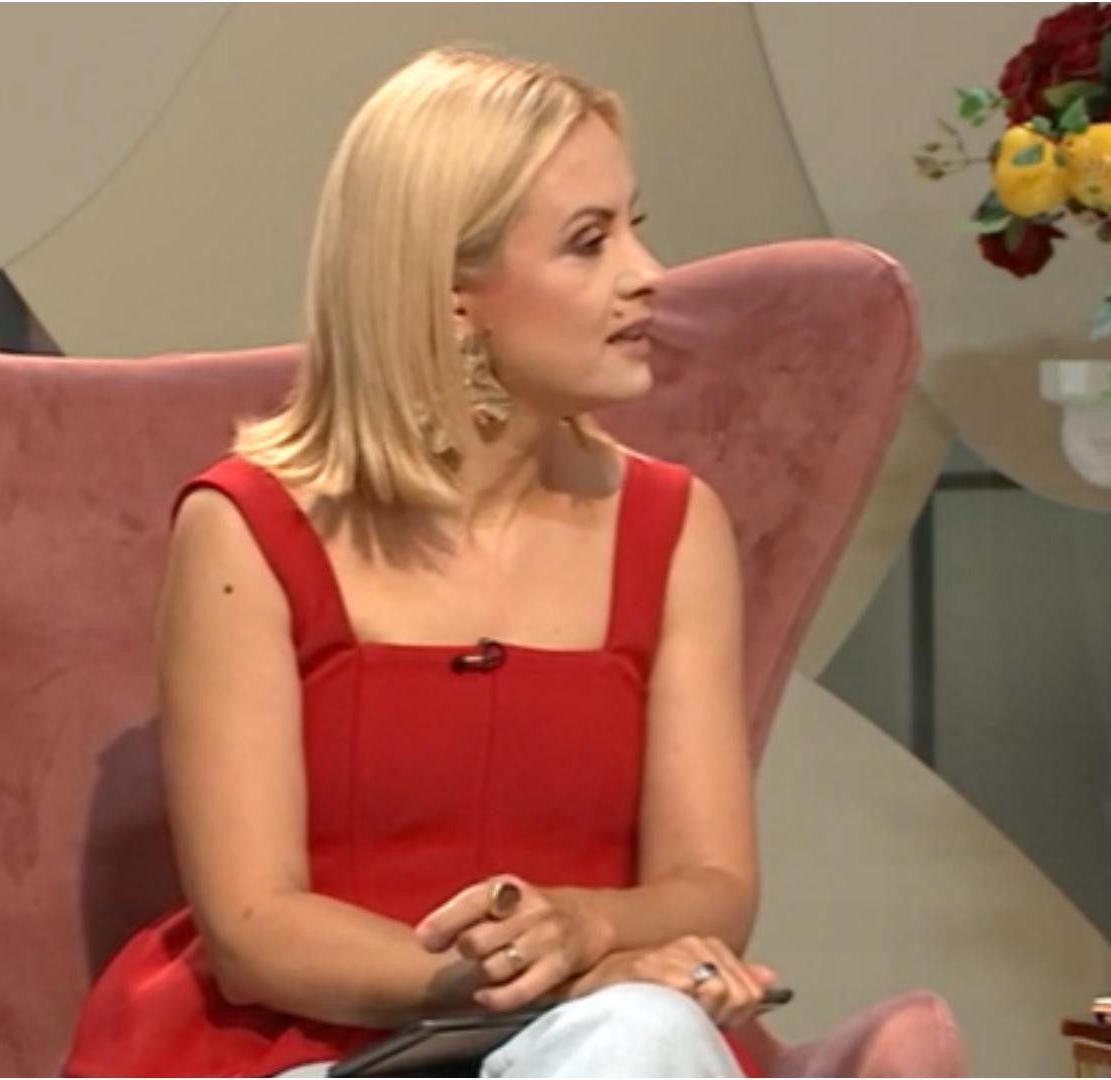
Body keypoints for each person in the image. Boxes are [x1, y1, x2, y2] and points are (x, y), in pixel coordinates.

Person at [64, 44, 775, 1078]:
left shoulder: (675, 527)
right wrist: (527, 979)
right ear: (450, 294)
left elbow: (711, 884)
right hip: (300, 1052)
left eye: (634, 226)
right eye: (590, 243)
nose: (647, 273)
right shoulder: (247, 526)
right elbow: (255, 931)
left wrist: (584, 929)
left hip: (585, 1051)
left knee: (643, 1037)